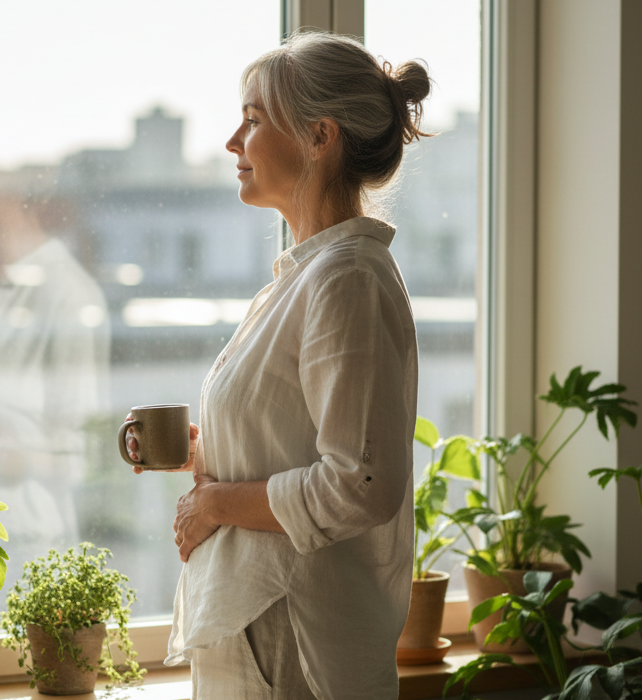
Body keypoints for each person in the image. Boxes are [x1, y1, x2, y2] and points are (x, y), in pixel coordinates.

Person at [124, 29, 429, 700]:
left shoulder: (345, 279)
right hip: (261, 633)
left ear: (320, 136)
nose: (233, 141)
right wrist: (202, 452)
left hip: (295, 648)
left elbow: (361, 484)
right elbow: (297, 442)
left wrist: (215, 504)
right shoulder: (307, 277)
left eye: (254, 120)